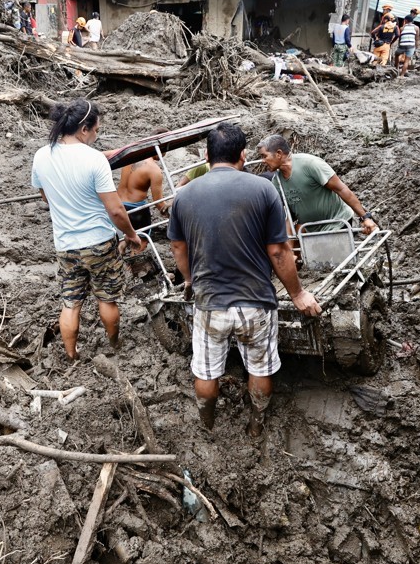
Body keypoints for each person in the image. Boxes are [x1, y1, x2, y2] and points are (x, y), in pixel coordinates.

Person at [166, 123, 321, 435]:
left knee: (206, 372)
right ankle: (256, 423)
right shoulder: (263, 189)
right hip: (255, 301)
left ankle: (207, 423)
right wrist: (298, 294)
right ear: (243, 155)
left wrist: (189, 280)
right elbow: (279, 251)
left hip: (210, 303)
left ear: (207, 156)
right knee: (260, 367)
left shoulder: (183, 196)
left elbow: (177, 247)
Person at [31, 99, 144, 360]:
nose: (96, 135)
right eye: (96, 130)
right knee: (106, 299)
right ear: (84, 129)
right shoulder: (94, 160)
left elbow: (46, 197)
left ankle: (71, 355)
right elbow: (115, 210)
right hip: (99, 242)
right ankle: (114, 345)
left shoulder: (41, 155)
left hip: (65, 244)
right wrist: (131, 234)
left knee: (71, 303)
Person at [255, 134, 379, 236]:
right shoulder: (277, 181)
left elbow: (341, 189)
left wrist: (365, 217)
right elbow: (287, 215)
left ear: (278, 153)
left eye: (264, 156)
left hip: (336, 221)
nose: (262, 161)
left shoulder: (309, 164)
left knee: (333, 263)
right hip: (310, 228)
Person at [117, 128, 169, 232]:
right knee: (141, 244)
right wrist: (172, 215)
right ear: (162, 146)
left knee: (121, 241)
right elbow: (159, 203)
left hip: (118, 205)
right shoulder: (154, 170)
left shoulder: (130, 157)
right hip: (136, 211)